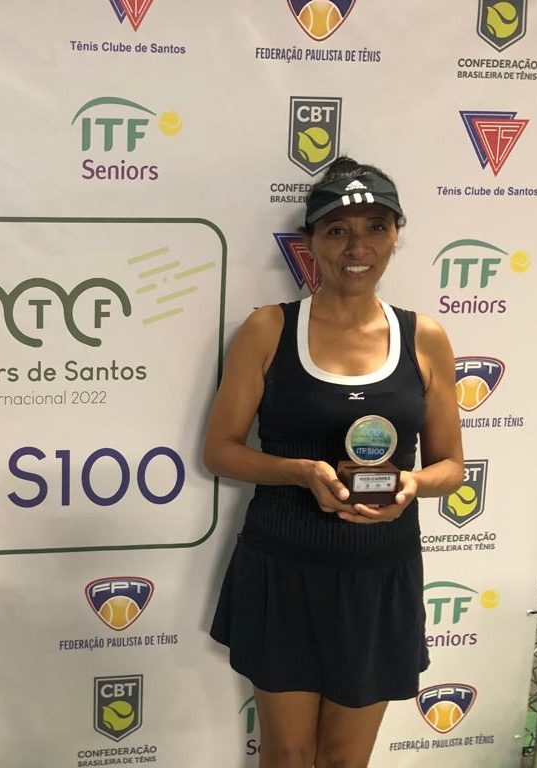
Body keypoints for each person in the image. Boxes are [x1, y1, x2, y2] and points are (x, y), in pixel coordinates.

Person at [205, 157, 463, 768]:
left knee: (346, 761)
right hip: (284, 568)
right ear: (312, 242)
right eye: (338, 230)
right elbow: (220, 450)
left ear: (396, 236)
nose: (357, 247)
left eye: (376, 228)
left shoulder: (424, 337)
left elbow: (451, 466)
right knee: (289, 755)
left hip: (378, 575)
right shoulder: (269, 329)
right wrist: (301, 472)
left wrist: (410, 484)